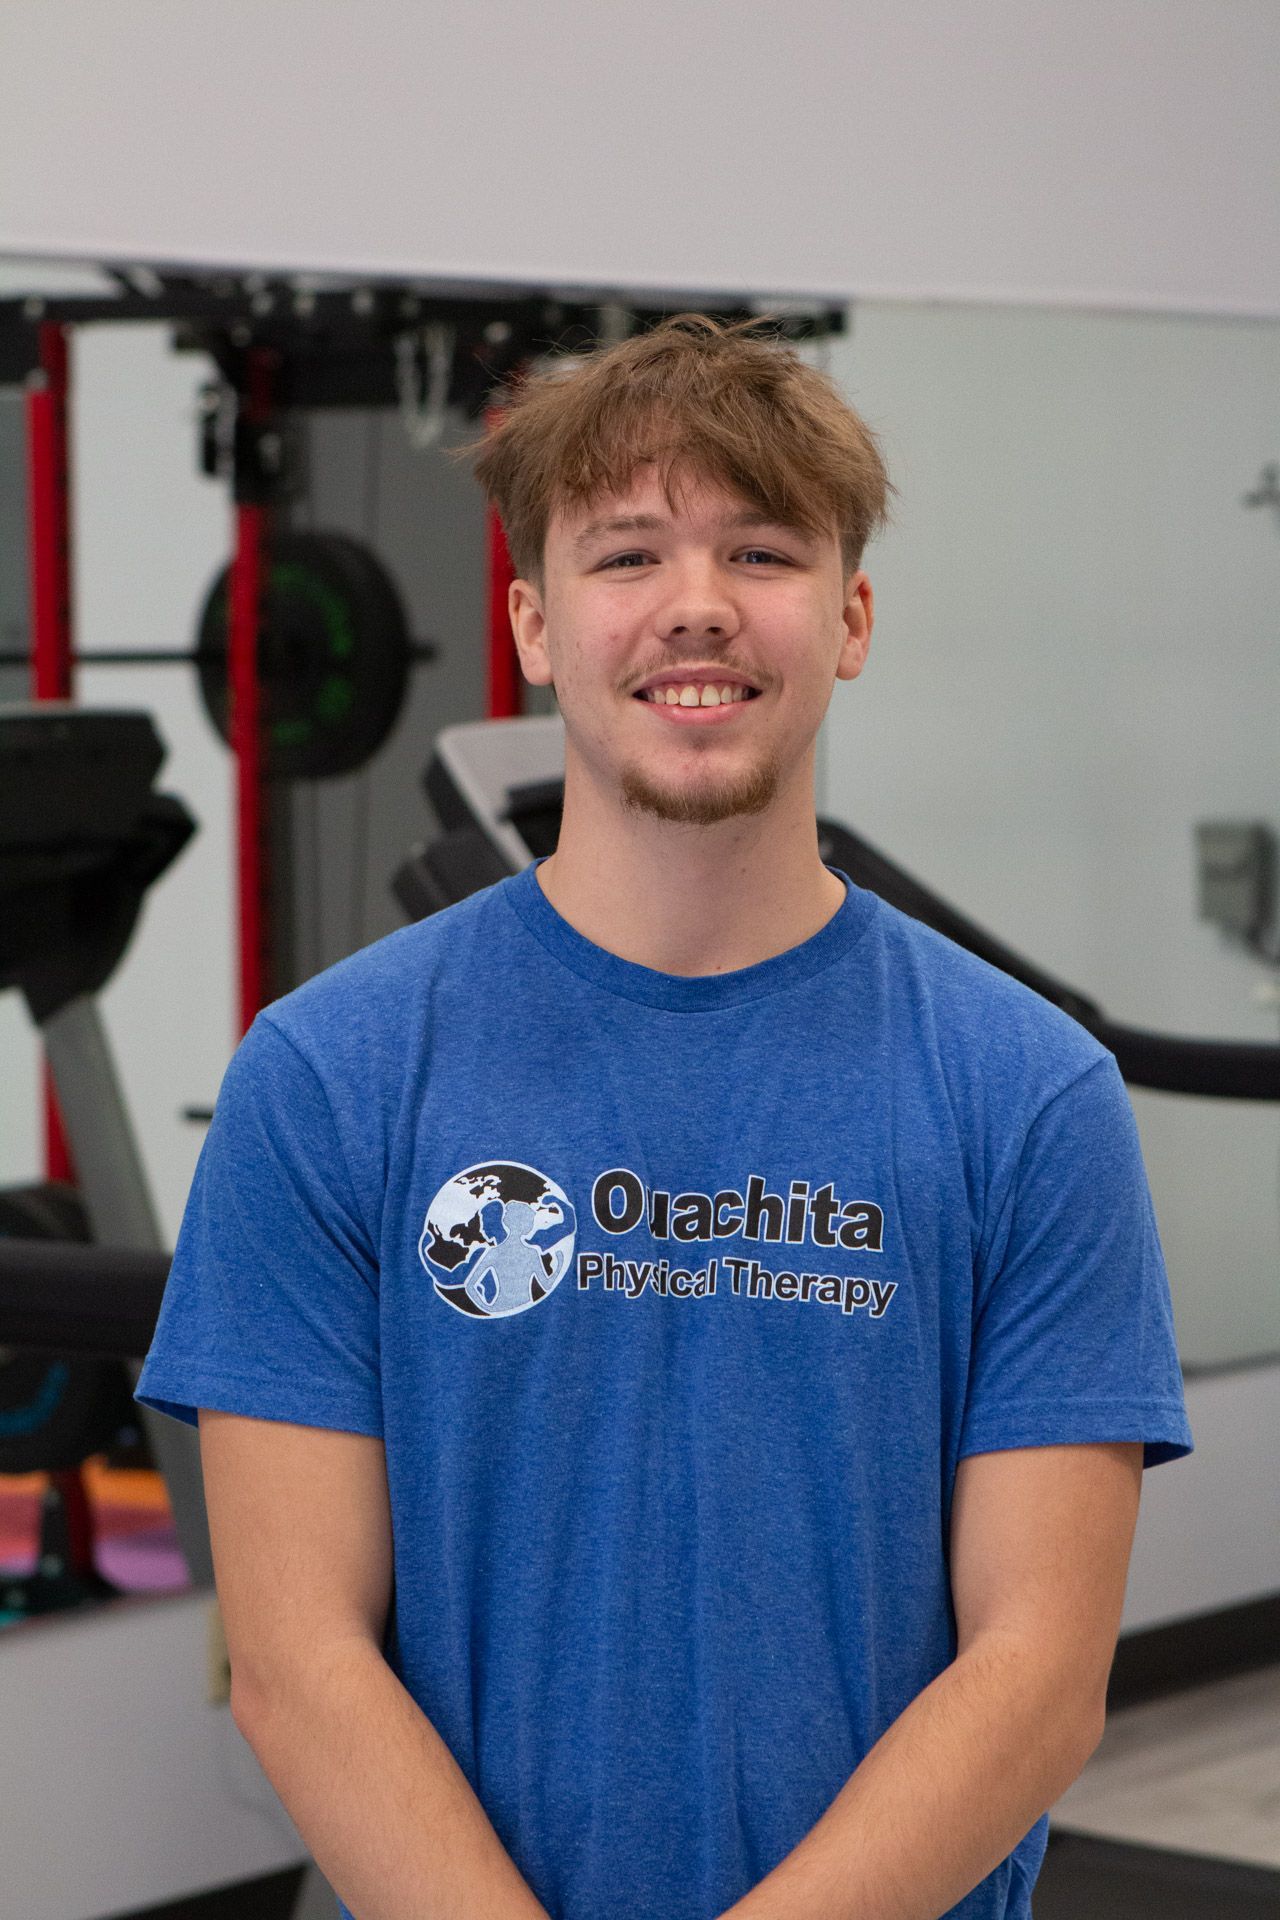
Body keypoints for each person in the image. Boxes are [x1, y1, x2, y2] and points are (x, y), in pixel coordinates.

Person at [136, 313, 1193, 1920]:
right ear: (535, 623)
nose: (696, 605)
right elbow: (298, 1659)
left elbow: (1037, 1675)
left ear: (848, 618)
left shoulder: (1027, 1096)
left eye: (762, 551)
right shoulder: (328, 1074)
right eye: (627, 554)